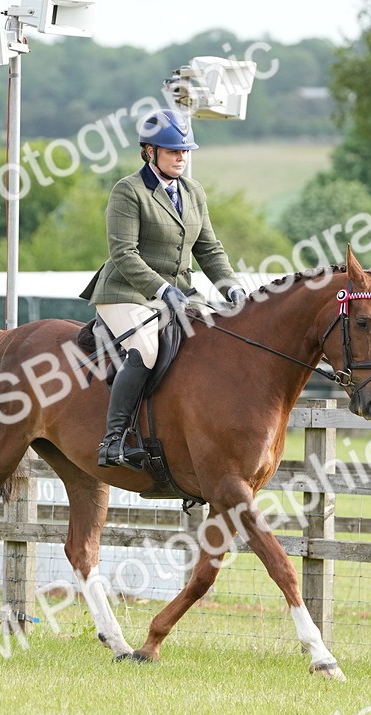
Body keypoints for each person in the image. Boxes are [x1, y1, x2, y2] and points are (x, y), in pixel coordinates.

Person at [79, 109, 246, 470]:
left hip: (179, 294)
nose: (181, 158)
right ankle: (114, 440)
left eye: (185, 151)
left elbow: (209, 249)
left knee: (216, 338)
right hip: (127, 291)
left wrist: (231, 286)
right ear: (149, 152)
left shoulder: (193, 192)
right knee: (146, 347)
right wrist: (160, 288)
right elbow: (123, 253)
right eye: (173, 151)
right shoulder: (129, 191)